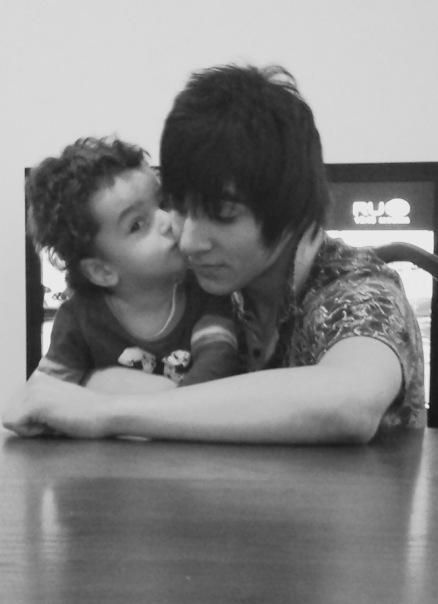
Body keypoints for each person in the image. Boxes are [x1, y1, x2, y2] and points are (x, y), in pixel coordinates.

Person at [3, 64, 426, 443]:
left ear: (290, 209)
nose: (188, 241)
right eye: (177, 205)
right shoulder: (201, 286)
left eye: (221, 214)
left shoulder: (358, 289)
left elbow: (346, 403)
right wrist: (98, 386)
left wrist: (105, 409)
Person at [22, 137, 238, 390]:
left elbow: (217, 364)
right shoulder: (80, 319)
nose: (167, 220)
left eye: (163, 204)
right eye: (137, 224)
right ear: (101, 271)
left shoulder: (204, 294)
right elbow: (41, 395)